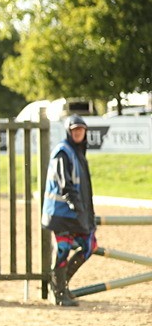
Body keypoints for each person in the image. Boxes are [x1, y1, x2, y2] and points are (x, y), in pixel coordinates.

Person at [41, 114, 97, 306]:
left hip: (75, 213)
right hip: (61, 214)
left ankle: (62, 284)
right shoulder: (63, 152)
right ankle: (59, 291)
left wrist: (89, 216)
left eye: (81, 130)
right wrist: (79, 211)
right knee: (63, 249)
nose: (78, 133)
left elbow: (85, 190)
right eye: (75, 130)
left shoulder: (79, 153)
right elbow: (66, 186)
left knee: (90, 246)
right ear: (68, 131)